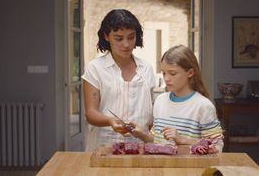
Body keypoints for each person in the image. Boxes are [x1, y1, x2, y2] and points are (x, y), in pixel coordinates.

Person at [82, 9, 156, 151]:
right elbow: (90, 113)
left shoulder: (146, 68)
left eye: (131, 37)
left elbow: (151, 113)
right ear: (106, 36)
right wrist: (110, 120)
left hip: (142, 145)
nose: (126, 44)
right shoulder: (95, 68)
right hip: (104, 145)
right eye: (119, 38)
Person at [132, 45, 224, 153]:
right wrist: (141, 135)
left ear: (190, 73)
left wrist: (182, 140)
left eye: (172, 73)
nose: (166, 78)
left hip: (190, 168)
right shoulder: (160, 101)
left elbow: (216, 147)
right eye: (164, 73)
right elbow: (157, 141)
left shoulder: (203, 105)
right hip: (162, 168)